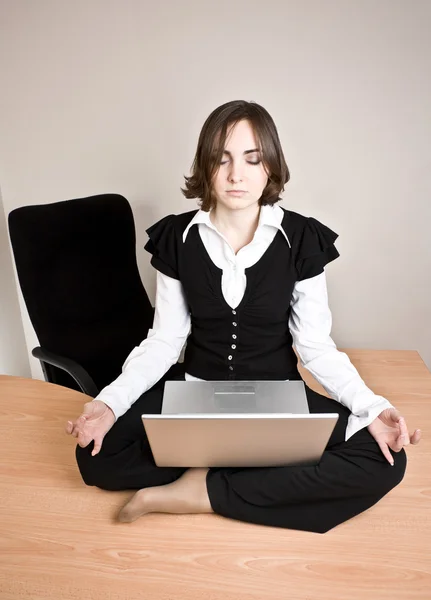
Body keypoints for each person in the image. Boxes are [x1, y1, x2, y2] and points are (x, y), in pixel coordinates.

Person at [66, 100, 421, 533]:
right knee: (94, 458)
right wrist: (108, 404)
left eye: (252, 159)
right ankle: (253, 476)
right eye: (222, 159)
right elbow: (165, 340)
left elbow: (314, 346)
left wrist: (373, 407)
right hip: (193, 395)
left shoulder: (302, 238)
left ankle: (202, 491)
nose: (237, 174)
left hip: (279, 398)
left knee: (385, 460)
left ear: (270, 166)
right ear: (205, 166)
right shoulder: (176, 237)